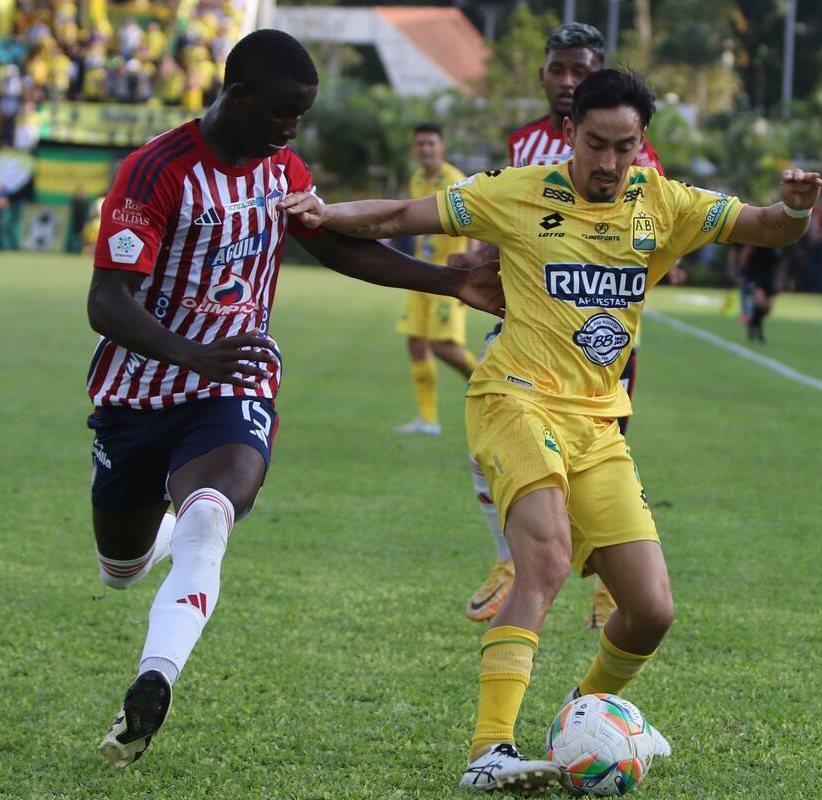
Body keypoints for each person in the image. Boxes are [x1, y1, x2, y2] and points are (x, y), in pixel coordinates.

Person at [281, 66, 822, 793]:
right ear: (568, 132)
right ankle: (489, 749)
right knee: (544, 560)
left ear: (642, 143)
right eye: (595, 143)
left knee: (652, 610)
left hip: (598, 422)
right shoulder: (516, 191)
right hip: (515, 397)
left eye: (624, 146)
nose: (607, 162)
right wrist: (326, 212)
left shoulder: (662, 202)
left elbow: (766, 228)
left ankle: (580, 720)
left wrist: (795, 210)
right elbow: (400, 217)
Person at [87, 29, 502, 769]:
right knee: (119, 566)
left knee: (212, 516)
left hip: (235, 380)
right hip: (138, 392)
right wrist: (188, 351)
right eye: (283, 112)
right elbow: (107, 302)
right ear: (237, 96)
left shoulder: (283, 168)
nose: (292, 129)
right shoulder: (155, 171)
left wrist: (448, 281)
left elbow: (333, 244)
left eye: (302, 116)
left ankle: (156, 678)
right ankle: (153, 537)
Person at [463, 22, 666, 629]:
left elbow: (649, 222)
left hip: (601, 325)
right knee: (492, 436)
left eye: (580, 70)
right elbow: (513, 218)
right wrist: (479, 262)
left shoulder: (631, 148)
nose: (567, 80)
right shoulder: (522, 143)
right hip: (528, 320)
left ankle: (607, 584)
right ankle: (509, 560)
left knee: (601, 447)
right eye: (558, 69)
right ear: (544, 74)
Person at [392, 122, 479, 436]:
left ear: (442, 147)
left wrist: (468, 271)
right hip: (419, 274)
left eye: (431, 144)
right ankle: (428, 421)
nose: (425, 149)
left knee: (443, 347)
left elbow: (472, 226)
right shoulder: (416, 179)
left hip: (447, 276)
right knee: (416, 343)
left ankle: (490, 386)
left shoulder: (454, 181)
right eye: (420, 144)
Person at [739, 244, 782, 343]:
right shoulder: (762, 239)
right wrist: (742, 272)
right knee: (760, 302)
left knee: (768, 308)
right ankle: (758, 333)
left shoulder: (784, 242)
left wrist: (780, 277)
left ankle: (752, 323)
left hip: (770, 276)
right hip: (755, 275)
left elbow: (781, 262)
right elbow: (746, 252)